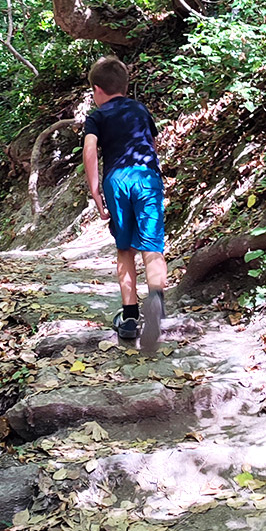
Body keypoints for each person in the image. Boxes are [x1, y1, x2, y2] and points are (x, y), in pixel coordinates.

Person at [82, 56, 166, 354]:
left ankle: (129, 318)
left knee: (124, 249)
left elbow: (90, 149)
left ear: (97, 89)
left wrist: (95, 191)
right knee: (152, 246)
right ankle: (156, 300)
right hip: (146, 176)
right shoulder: (140, 109)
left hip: (116, 180)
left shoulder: (98, 116)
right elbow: (152, 147)